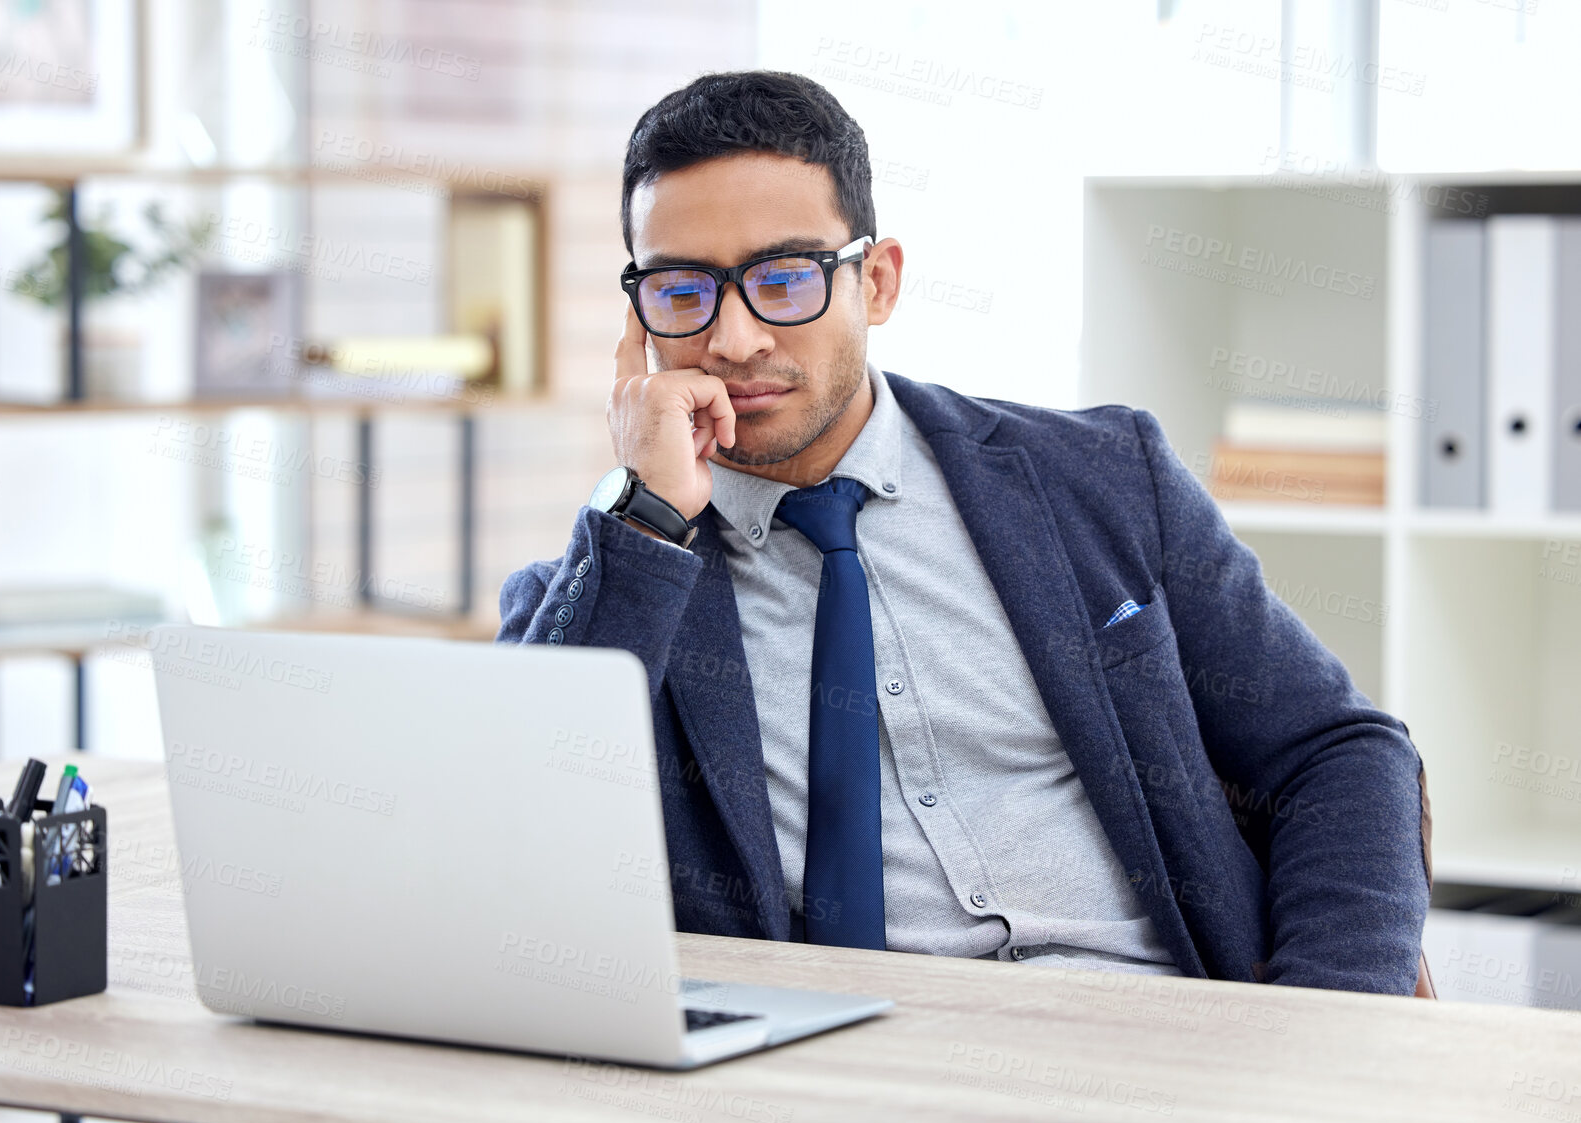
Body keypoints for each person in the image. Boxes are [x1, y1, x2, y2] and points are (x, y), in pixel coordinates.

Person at [498, 70, 1431, 993]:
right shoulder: (615, 576)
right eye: (682, 291)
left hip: (1157, 1034)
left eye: (784, 280)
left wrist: (1325, 1017)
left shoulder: (1101, 475)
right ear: (637, 316)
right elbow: (514, 846)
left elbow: (1335, 752)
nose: (735, 338)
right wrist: (646, 515)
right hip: (834, 1079)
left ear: (878, 280)